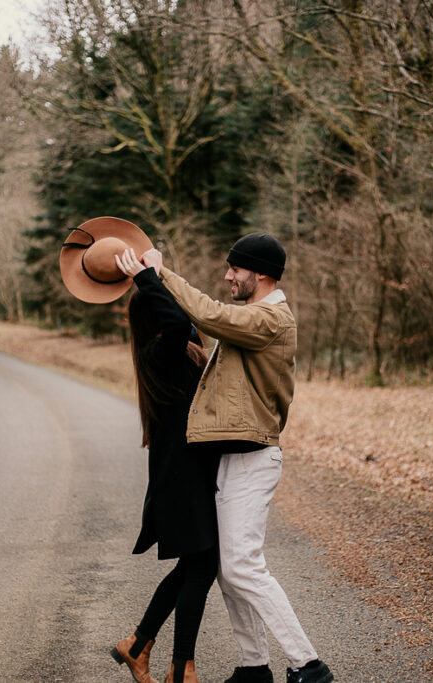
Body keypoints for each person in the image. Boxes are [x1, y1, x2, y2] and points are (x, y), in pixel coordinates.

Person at [123, 235, 334, 683]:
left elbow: (208, 315)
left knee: (241, 565)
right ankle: (254, 667)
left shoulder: (271, 318)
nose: (226, 276)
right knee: (226, 568)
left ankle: (308, 664)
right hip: (232, 459)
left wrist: (156, 275)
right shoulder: (253, 317)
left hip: (254, 457)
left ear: (260, 274)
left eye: (234, 269)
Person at [108, 261, 221, 683]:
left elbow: (187, 322)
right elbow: (177, 321)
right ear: (157, 313)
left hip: (188, 477)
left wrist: (159, 273)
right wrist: (145, 279)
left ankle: (139, 646)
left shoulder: (180, 349)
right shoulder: (160, 353)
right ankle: (180, 668)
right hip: (181, 481)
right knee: (202, 566)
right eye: (166, 303)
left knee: (196, 567)